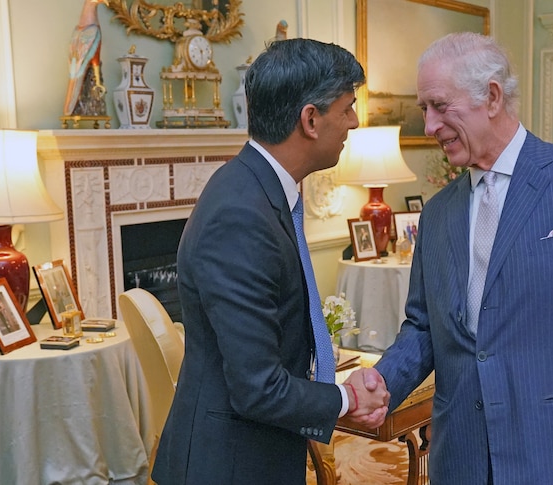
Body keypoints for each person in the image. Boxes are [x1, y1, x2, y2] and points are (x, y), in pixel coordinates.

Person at [369, 32, 553, 484]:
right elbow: (425, 326)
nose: (428, 126)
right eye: (424, 109)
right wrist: (380, 382)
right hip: (462, 453)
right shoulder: (439, 212)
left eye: (440, 106)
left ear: (493, 97)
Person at [152, 38, 389, 485]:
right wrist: (344, 400)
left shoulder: (259, 190)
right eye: (347, 108)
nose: (354, 122)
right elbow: (258, 389)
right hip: (229, 464)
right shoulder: (241, 215)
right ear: (311, 119)